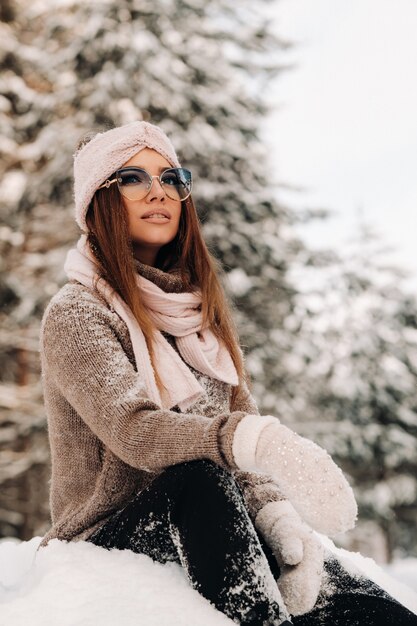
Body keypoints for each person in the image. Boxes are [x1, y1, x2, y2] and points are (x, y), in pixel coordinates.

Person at [38, 121, 417, 626]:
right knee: (200, 479)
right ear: (98, 200)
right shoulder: (78, 312)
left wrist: (278, 517)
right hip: (110, 530)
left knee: (360, 600)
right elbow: (136, 432)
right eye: (133, 178)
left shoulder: (199, 316)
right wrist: (259, 441)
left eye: (173, 178)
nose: (160, 192)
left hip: (217, 519)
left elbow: (241, 433)